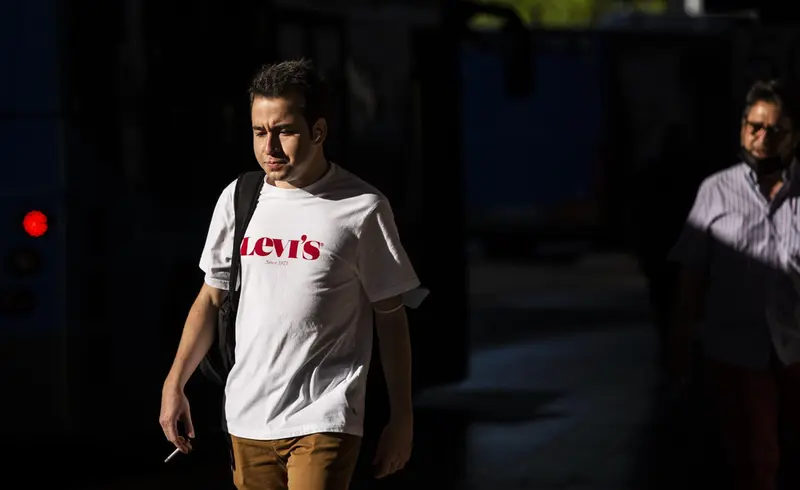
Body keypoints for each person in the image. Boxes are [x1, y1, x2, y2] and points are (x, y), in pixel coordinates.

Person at [159, 59, 423, 490]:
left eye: (284, 131)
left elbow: (391, 319)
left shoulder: (362, 207)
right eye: (260, 132)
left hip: (325, 416)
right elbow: (211, 299)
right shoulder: (239, 198)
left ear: (318, 131)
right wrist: (175, 384)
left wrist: (402, 419)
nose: (271, 147)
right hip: (247, 417)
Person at [668, 79, 800, 490]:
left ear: (793, 137)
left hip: (795, 351)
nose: (761, 138)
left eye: (773, 130)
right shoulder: (716, 191)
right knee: (756, 462)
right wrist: (679, 347)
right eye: (753, 126)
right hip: (736, 351)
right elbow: (690, 274)